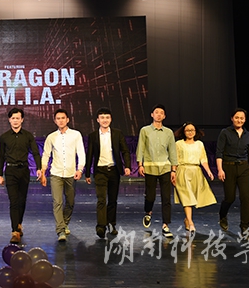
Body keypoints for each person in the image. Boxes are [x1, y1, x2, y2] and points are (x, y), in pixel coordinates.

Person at [85, 107, 131, 239]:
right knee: (101, 199)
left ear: (110, 119)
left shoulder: (117, 133)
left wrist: (127, 166)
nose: (105, 120)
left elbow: (125, 151)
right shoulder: (93, 135)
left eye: (107, 117)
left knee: (112, 199)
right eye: (102, 118)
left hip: (114, 170)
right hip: (100, 171)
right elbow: (90, 155)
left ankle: (111, 224)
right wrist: (87, 173)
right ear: (97, 120)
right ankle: (101, 226)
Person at [0, 107, 43, 244]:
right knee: (14, 201)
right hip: (10, 171)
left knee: (22, 200)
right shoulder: (4, 137)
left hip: (24, 171)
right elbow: (1, 156)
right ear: (9, 120)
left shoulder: (28, 136)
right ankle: (14, 232)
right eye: (13, 118)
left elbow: (35, 152)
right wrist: (0, 174)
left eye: (18, 118)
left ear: (22, 119)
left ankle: (19, 224)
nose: (15, 120)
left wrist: (39, 168)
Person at [40, 109, 85, 242]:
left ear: (67, 120)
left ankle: (64, 223)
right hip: (56, 173)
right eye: (58, 118)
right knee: (57, 202)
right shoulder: (51, 137)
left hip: (71, 173)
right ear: (55, 121)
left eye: (63, 118)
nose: (61, 120)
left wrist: (80, 169)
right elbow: (46, 155)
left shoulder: (76, 135)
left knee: (70, 202)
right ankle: (60, 230)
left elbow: (81, 152)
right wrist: (43, 171)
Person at [136, 104, 177, 238]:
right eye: (156, 112)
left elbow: (172, 150)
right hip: (150, 166)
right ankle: (148, 212)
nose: (159, 115)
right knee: (150, 196)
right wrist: (140, 164)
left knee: (166, 197)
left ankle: (166, 225)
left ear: (164, 116)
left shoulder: (168, 132)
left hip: (165, 167)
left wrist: (174, 169)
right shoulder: (145, 130)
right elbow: (141, 147)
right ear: (152, 115)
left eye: (161, 113)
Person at [216, 108, 249, 236]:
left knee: (245, 198)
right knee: (230, 197)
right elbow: (219, 152)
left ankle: (245, 228)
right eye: (237, 117)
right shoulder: (225, 132)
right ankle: (222, 215)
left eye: (242, 118)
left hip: (244, 168)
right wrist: (220, 169)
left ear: (245, 120)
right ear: (232, 118)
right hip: (229, 168)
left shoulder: (248, 135)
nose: (239, 120)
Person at [172, 122, 216, 234]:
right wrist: (173, 172)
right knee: (187, 197)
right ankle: (191, 222)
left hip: (196, 171)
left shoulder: (199, 144)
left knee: (193, 198)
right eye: (188, 130)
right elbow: (175, 159)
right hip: (183, 170)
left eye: (192, 130)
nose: (190, 132)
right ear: (183, 132)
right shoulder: (179, 144)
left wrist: (208, 171)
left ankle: (187, 219)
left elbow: (203, 159)